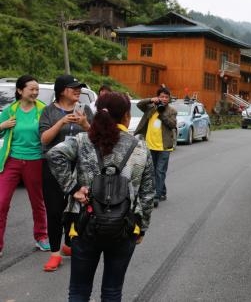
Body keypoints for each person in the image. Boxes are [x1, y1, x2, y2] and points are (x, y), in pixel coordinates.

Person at [47, 92, 155, 301]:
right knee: (112, 291)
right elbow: (148, 193)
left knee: (79, 290)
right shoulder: (139, 147)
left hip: (83, 223)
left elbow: (54, 154)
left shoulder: (82, 140)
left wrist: (74, 188)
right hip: (124, 227)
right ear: (126, 116)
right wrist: (142, 228)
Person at [39, 74, 93, 271]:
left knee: (76, 209)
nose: (78, 90)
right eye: (74, 87)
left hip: (79, 167)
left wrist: (85, 125)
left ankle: (69, 245)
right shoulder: (48, 111)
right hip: (52, 167)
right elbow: (44, 140)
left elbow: (95, 136)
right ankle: (55, 254)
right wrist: (61, 123)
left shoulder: (85, 109)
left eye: (79, 87)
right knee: (54, 210)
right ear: (62, 90)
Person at [0, 75, 49, 257]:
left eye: (37, 89)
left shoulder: (43, 110)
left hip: (35, 160)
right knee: (1, 202)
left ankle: (42, 237)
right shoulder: (10, 110)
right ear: (20, 91)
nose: (35, 92)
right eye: (32, 89)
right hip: (11, 161)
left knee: (37, 202)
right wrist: (2, 125)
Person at [134, 87, 177, 207]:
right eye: (162, 96)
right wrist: (151, 100)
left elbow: (172, 124)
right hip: (150, 145)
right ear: (158, 97)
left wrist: (162, 112)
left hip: (164, 147)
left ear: (169, 99)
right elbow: (139, 104)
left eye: (166, 97)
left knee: (160, 171)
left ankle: (156, 196)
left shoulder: (171, 110)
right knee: (153, 172)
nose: (164, 99)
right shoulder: (150, 107)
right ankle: (162, 191)